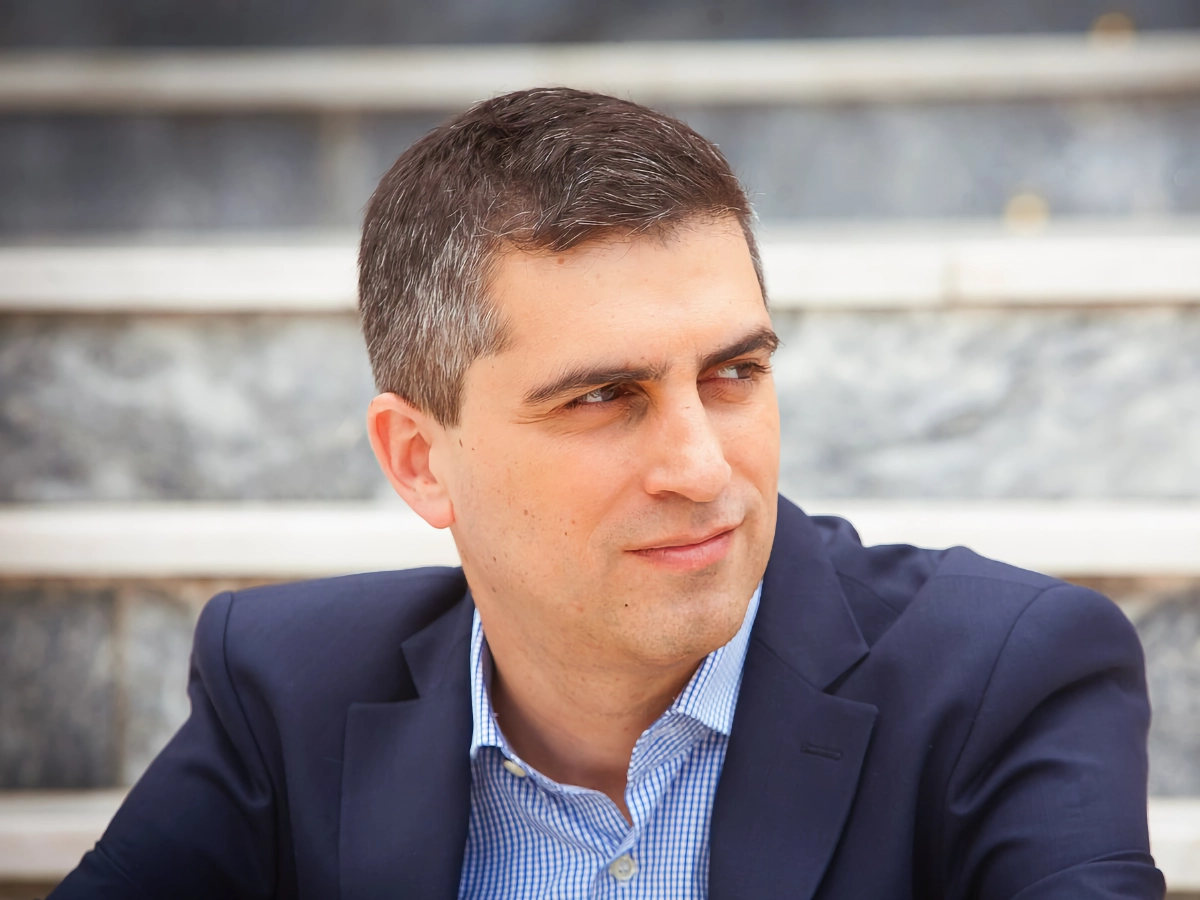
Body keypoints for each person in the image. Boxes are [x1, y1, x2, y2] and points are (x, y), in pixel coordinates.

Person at [52, 87, 1163, 899]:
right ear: (420, 460)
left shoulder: (1007, 677)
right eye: (602, 398)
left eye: (734, 374)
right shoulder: (285, 692)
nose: (703, 468)